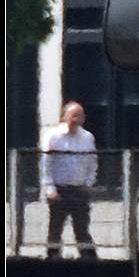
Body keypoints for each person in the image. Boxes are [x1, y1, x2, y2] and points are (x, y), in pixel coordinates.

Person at [40, 101, 99, 259]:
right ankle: (52, 257)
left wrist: (88, 183)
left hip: (79, 189)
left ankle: (88, 258)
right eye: (73, 116)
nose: (76, 119)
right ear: (65, 116)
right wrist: (50, 189)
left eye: (79, 116)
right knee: (55, 228)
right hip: (59, 189)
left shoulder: (87, 138)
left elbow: (92, 163)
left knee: (82, 227)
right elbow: (46, 165)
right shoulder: (53, 136)